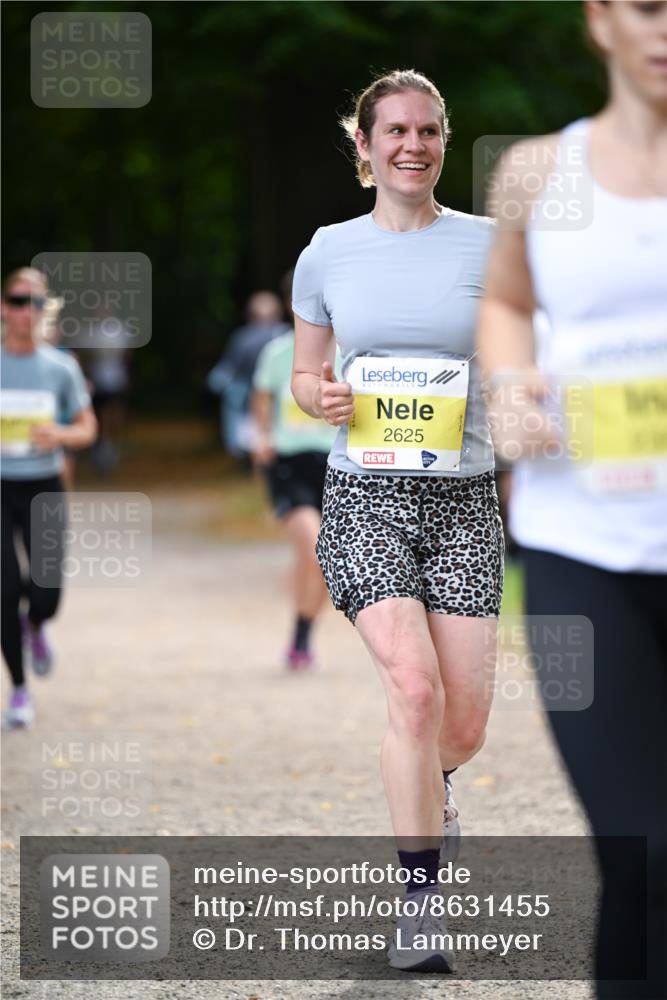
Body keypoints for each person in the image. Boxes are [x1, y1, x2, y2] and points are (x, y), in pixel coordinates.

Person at [291, 70, 504, 973]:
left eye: (427, 130)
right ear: (364, 145)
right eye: (394, 132)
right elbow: (306, 376)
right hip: (364, 496)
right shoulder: (327, 251)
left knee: (460, 726)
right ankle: (418, 904)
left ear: (442, 140)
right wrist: (323, 397)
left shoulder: (493, 247)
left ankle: (437, 792)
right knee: (411, 690)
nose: (411, 145)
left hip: (463, 500)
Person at [478, 3, 667, 997]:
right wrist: (509, 383)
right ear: (600, 18)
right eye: (647, 4)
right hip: (576, 550)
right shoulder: (538, 173)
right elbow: (504, 301)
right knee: (641, 844)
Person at [1, 267, 97, 727]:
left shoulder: (61, 366)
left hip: (43, 484)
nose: (26, 312)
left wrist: (58, 432)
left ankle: (35, 624)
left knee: (46, 594)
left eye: (36, 303)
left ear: (46, 311)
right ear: (4, 308)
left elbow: (87, 428)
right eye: (18, 301)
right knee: (3, 591)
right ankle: (19, 690)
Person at [251, 272, 340, 670]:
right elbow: (262, 400)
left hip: (335, 465)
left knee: (321, 556)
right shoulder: (277, 353)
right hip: (288, 463)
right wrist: (263, 438)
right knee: (315, 548)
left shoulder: (350, 353)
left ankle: (302, 634)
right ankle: (301, 636)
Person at [207, 291, 290, 459]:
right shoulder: (287, 335)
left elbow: (229, 369)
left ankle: (240, 450)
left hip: (251, 394)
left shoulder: (242, 337)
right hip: (274, 395)